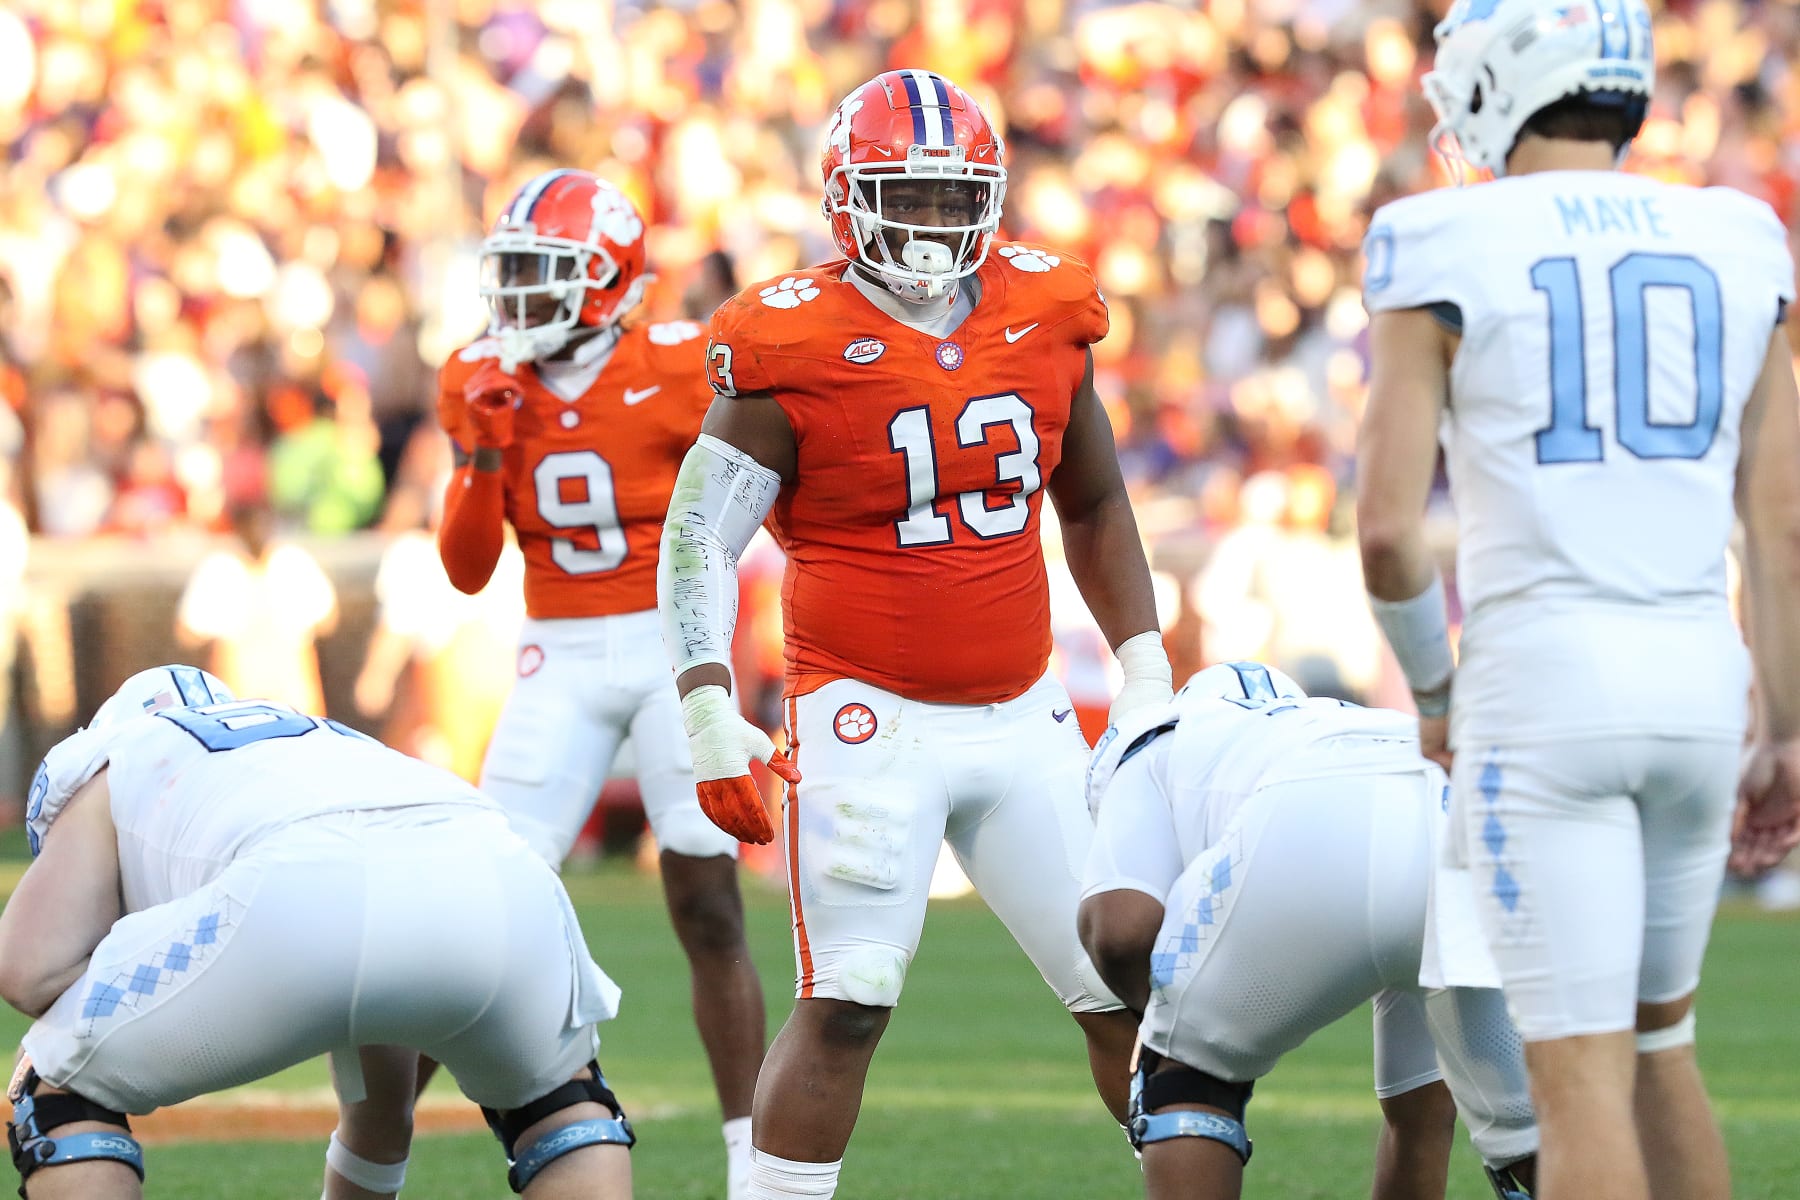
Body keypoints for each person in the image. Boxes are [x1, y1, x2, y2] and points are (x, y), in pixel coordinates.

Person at [658, 69, 1173, 1200]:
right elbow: (698, 537)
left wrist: (1143, 664)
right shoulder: (783, 339)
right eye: (909, 193)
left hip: (1028, 712)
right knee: (849, 997)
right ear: (847, 197)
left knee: (1125, 979)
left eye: (955, 196)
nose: (935, 220)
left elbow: (1091, 501)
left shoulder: (1045, 312)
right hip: (866, 712)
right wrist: (707, 706)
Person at [1355, 1, 1800, 1196]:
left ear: (1501, 80)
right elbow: (1781, 518)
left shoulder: (1437, 237)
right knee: (1663, 1049)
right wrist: (1789, 728)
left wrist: (1436, 691)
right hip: (1700, 680)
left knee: (1580, 1083)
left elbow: (1390, 529)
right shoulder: (1744, 236)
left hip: (1543, 683)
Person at [436, 168, 766, 1196]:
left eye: (550, 273)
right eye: (517, 273)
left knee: (708, 900)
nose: (524, 297)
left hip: (673, 648)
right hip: (560, 654)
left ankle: (755, 1158)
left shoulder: (679, 365)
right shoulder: (480, 375)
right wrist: (483, 457)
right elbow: (465, 567)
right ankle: (374, 1150)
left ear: (615, 282)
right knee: (476, 901)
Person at [0, 666, 633, 1200]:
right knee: (560, 1103)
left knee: (51, 1084)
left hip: (297, 888)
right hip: (500, 872)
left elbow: (26, 971)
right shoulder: (321, 742)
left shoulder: (118, 754)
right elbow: (379, 1124)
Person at [1079, 662, 1538, 1200]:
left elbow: (1119, 931)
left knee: (1188, 1083)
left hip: (1308, 821)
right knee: (1508, 1138)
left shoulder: (1153, 742)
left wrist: (1165, 1029)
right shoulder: (1326, 720)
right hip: (1450, 814)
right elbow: (1418, 1112)